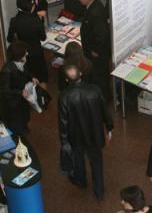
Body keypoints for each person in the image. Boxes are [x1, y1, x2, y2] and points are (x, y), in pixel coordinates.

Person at [58, 60, 113, 201]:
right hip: (94, 133)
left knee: (78, 158)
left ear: (66, 79)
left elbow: (63, 122)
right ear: (81, 73)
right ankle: (99, 191)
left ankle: (81, 180)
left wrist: (64, 141)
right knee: (96, 160)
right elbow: (105, 111)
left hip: (75, 135)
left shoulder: (64, 96)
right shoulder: (95, 90)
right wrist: (109, 127)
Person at [0, 42, 42, 137]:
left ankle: (23, 129)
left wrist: (32, 77)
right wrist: (20, 92)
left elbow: (27, 72)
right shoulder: (6, 71)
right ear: (18, 55)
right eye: (24, 52)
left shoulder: (21, 62)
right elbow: (5, 91)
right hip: (12, 102)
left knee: (23, 117)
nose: (27, 53)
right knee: (15, 123)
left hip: (21, 99)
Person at [78, 0, 111, 99]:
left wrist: (96, 50)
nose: (79, 0)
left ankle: (103, 97)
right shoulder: (95, 4)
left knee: (100, 75)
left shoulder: (95, 13)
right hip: (93, 50)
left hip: (98, 53)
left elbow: (102, 34)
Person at [7, 0, 48, 83]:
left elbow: (9, 39)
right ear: (32, 8)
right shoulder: (37, 20)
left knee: (26, 76)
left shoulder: (14, 20)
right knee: (40, 77)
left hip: (22, 53)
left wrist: (18, 41)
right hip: (36, 53)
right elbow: (43, 38)